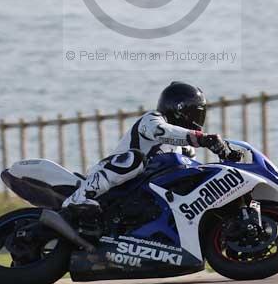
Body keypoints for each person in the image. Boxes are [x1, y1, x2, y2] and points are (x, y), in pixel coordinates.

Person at [62, 81, 242, 217]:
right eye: (195, 113)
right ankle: (79, 198)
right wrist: (201, 138)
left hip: (142, 197)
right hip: (115, 184)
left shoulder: (183, 149)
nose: (197, 119)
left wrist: (226, 155)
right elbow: (162, 132)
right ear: (180, 110)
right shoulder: (152, 119)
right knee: (134, 159)